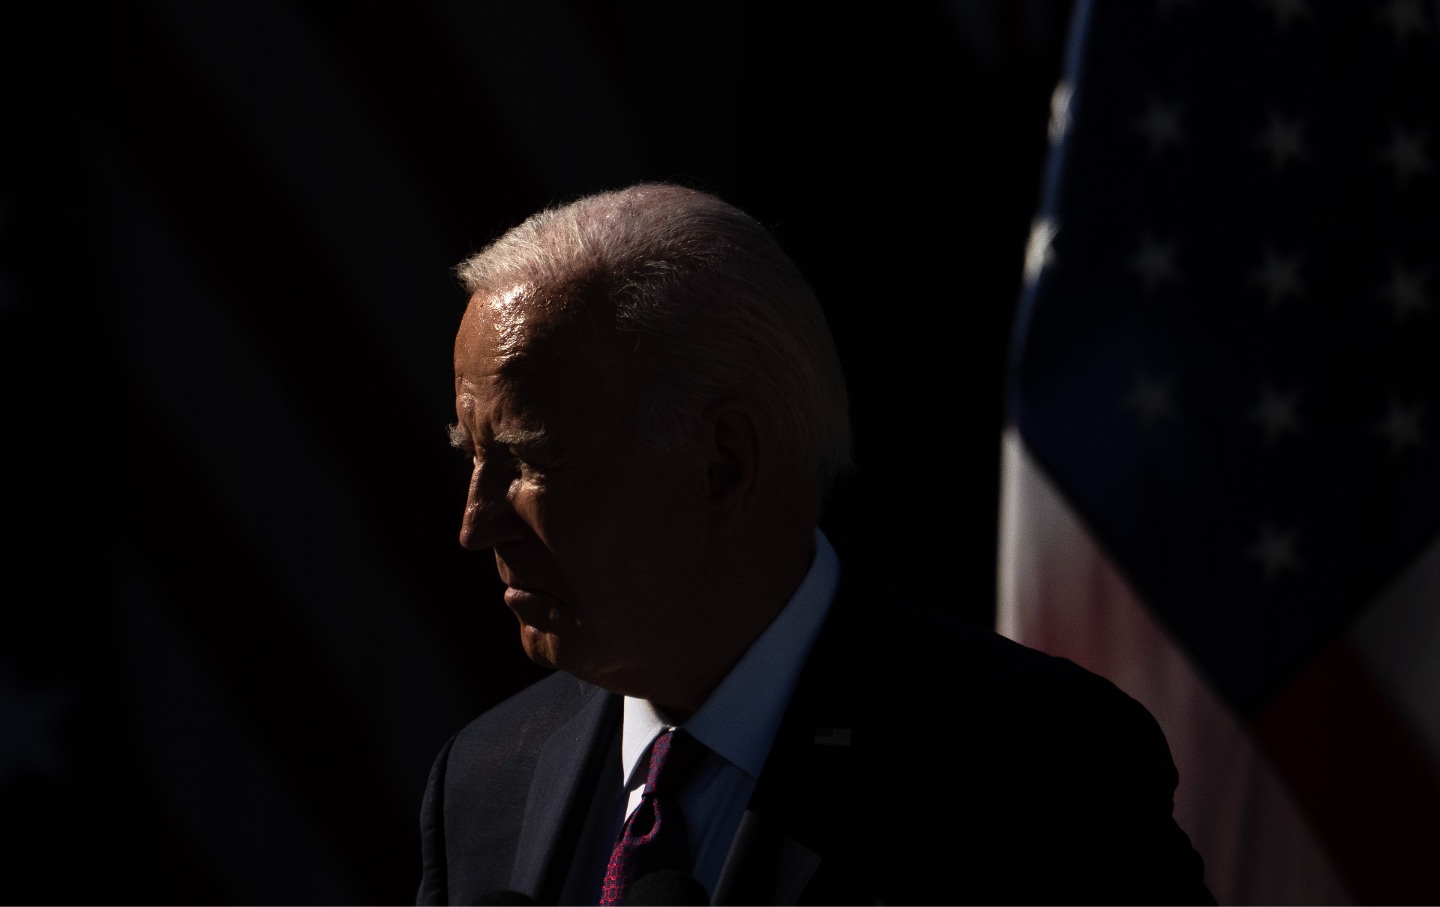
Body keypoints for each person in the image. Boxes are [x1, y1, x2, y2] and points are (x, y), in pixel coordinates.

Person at [416, 184, 1211, 906]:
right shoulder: (483, 782)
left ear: (724, 467)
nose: (475, 521)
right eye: (472, 457)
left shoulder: (1040, 777)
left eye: (531, 460)